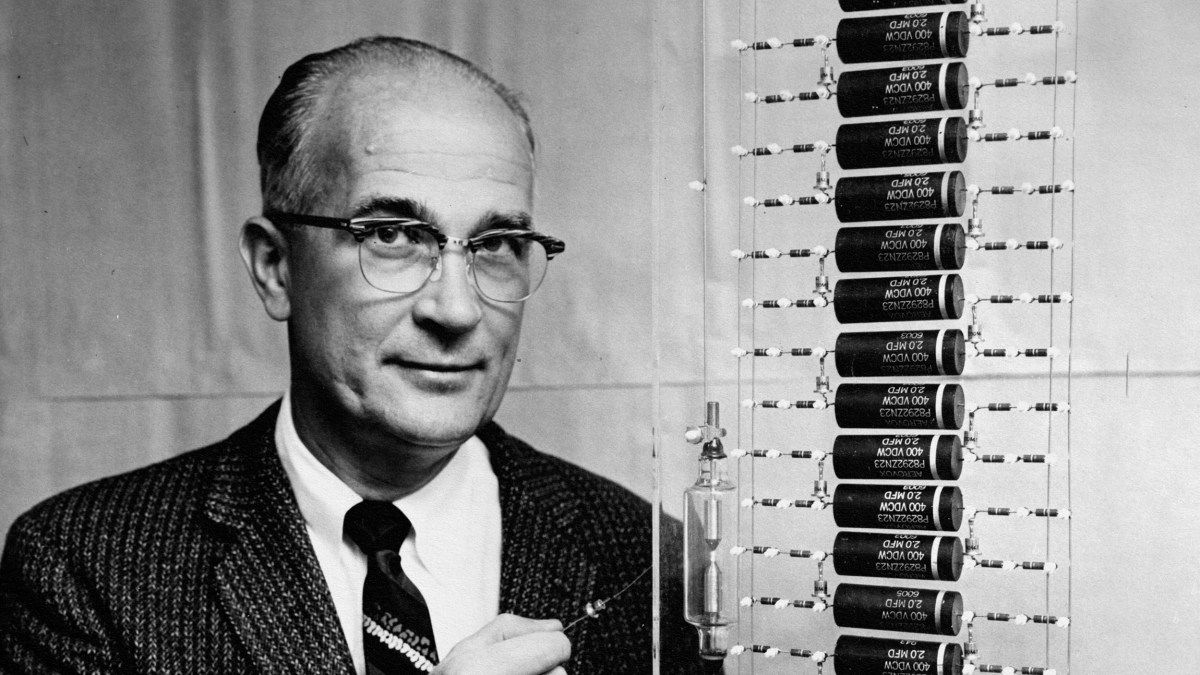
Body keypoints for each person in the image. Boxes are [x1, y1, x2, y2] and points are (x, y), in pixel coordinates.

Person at [0, 36, 699, 674]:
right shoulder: (85, 564)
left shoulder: (649, 562)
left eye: (494, 246)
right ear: (275, 267)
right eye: (393, 235)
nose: (456, 310)